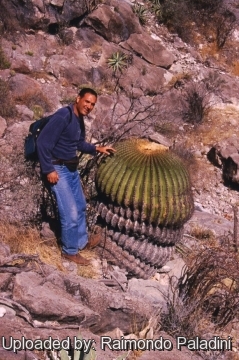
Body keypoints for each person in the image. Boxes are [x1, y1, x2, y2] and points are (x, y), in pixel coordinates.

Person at [37, 88, 115, 265]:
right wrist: (48, 169)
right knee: (70, 212)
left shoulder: (78, 119)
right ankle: (69, 251)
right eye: (86, 101)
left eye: (92, 104)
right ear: (78, 98)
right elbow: (42, 142)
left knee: (80, 206)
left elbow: (77, 143)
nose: (89, 106)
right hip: (58, 169)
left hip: (71, 169)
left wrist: (96, 148)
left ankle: (81, 242)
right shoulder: (63, 116)